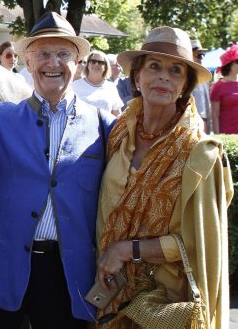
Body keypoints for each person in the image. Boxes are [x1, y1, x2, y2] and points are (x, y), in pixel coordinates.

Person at [0, 11, 114, 328]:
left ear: (78, 64)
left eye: (63, 54)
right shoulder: (1, 117)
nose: (53, 63)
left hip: (68, 274)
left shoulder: (102, 124)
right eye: (43, 54)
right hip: (2, 267)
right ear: (28, 63)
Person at [95, 26, 232, 328]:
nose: (164, 77)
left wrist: (126, 250)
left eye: (176, 71)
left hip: (166, 306)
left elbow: (201, 242)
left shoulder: (198, 152)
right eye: (154, 66)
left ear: (185, 86)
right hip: (108, 294)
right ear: (136, 76)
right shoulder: (118, 132)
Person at [72, 50, 124, 116]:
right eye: (93, 61)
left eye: (100, 62)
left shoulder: (111, 87)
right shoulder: (75, 86)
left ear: (106, 67)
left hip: (105, 126)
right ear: (88, 64)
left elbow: (116, 114)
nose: (96, 64)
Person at [209, 44, 238, 135]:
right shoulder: (217, 86)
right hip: (226, 134)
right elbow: (214, 115)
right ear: (230, 65)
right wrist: (218, 137)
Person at [191, 38, 212, 133]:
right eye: (199, 55)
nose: (202, 58)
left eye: (203, 55)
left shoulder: (204, 79)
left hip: (203, 127)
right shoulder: (182, 80)